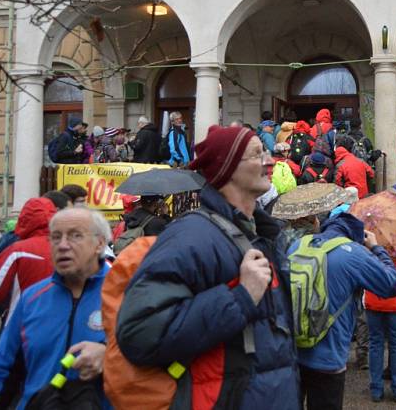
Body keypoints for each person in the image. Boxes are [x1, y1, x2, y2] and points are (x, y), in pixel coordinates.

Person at [115, 125, 300, 408]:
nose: (269, 160)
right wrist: (240, 297)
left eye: (265, 151)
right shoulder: (192, 236)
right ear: (226, 169)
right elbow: (140, 332)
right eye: (255, 153)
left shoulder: (263, 235)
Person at [0, 207, 111, 408]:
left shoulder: (125, 294)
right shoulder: (32, 298)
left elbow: (152, 360)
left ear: (99, 244)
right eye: (56, 237)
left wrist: (108, 355)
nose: (63, 245)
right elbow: (1, 371)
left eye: (75, 236)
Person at [287, 212, 396, 410]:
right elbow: (392, 285)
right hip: (328, 359)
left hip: (291, 353)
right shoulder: (353, 253)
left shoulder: (298, 245)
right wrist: (375, 248)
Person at [0, 197, 59, 324]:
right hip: (61, 327)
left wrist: (7, 310)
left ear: (24, 219)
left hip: (21, 325)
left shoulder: (17, 250)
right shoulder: (70, 248)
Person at [364, 253, 396, 403]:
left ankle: (376, 389)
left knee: (375, 343)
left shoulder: (368, 241)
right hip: (395, 300)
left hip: (372, 297)